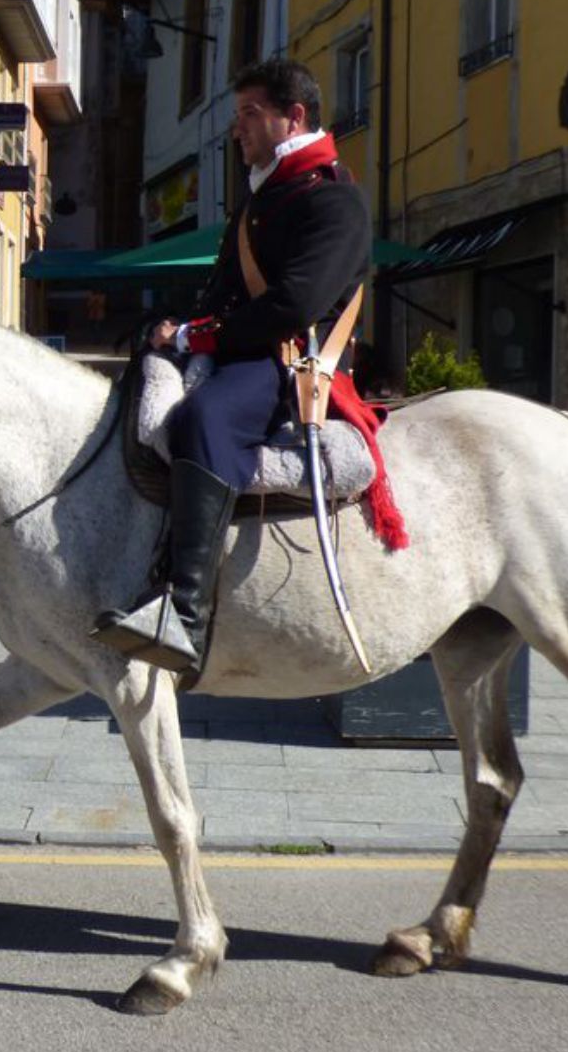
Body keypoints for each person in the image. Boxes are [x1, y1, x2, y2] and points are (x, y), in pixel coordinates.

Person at [92, 57, 371, 675]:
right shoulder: (266, 198)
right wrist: (173, 328)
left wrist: (198, 335)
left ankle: (184, 614)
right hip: (243, 348)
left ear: (292, 117)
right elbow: (225, 293)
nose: (237, 129)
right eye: (237, 114)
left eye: (250, 114)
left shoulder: (333, 201)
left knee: (204, 419)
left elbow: (293, 305)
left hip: (289, 363)